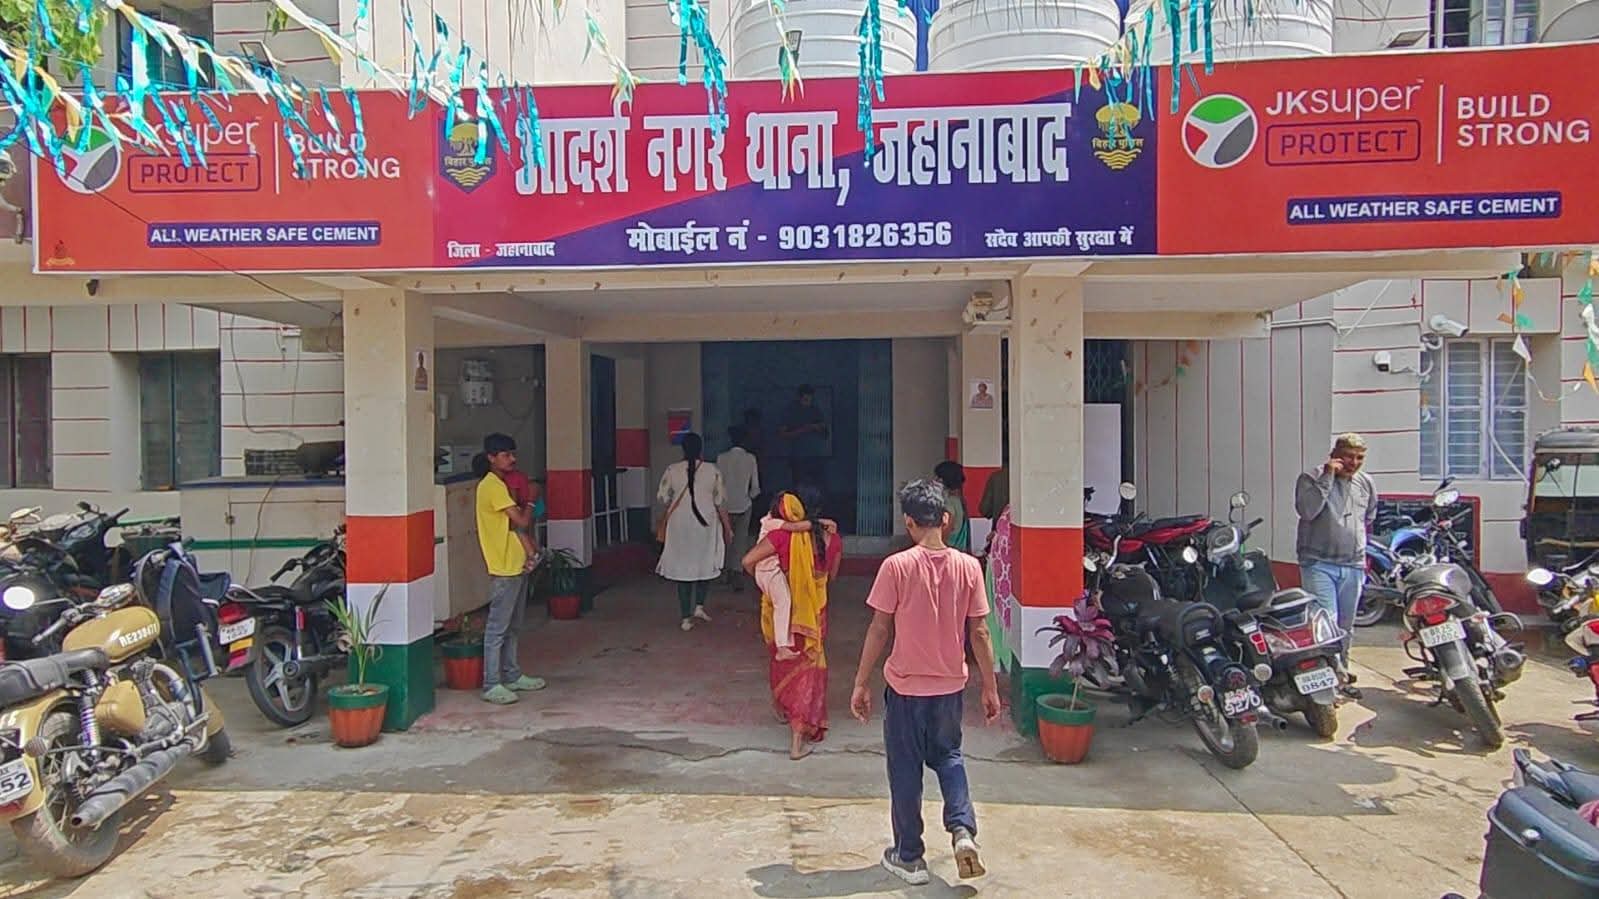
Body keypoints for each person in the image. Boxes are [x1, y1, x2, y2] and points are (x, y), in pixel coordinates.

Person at [851, 479, 1000, 885]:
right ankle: (963, 831)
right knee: (950, 757)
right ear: (946, 519)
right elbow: (980, 632)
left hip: (905, 689)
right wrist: (990, 687)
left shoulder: (896, 567)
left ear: (909, 522)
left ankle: (910, 857)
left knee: (905, 770)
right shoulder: (969, 567)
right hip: (950, 688)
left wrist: (861, 682)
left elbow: (879, 629)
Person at [743, 489, 843, 760]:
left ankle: (785, 714)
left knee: (783, 664)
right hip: (814, 614)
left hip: (783, 617)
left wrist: (767, 583)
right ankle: (799, 737)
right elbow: (832, 576)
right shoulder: (833, 540)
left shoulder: (779, 536)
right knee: (810, 672)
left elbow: (748, 561)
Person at [1295, 432, 1377, 700]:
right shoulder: (1311, 477)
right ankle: (1327, 683)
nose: (1354, 463)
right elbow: (1308, 511)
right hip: (1319, 563)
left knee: (1345, 626)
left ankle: (1342, 676)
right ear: (1335, 455)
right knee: (1326, 624)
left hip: (1352, 564)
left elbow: (1369, 517)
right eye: (1348, 457)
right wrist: (1328, 476)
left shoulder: (1365, 483)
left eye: (1359, 458)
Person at [473, 434, 547, 705]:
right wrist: (532, 500)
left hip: (516, 565)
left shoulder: (502, 485)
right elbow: (522, 522)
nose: (512, 459)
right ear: (491, 458)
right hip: (504, 567)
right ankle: (492, 683)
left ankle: (512, 674)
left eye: (513, 454)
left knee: (513, 627)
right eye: (506, 455)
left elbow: (516, 528)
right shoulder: (492, 486)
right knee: (497, 629)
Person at [656, 432, 733, 631]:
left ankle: (685, 617)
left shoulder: (672, 470)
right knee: (705, 562)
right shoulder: (712, 470)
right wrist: (728, 528)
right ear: (701, 449)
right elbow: (720, 502)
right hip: (705, 524)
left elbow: (663, 497)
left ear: (683, 449)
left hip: (679, 525)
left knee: (683, 569)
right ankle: (699, 606)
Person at [749, 496, 837, 663]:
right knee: (783, 602)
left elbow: (748, 562)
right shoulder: (773, 525)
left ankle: (783, 646)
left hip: (768, 571)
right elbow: (796, 527)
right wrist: (820, 523)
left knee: (783, 602)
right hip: (769, 571)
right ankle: (782, 648)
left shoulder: (779, 532)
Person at [717, 425, 761, 590]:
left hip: (725, 505)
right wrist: (748, 498)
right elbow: (755, 487)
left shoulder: (721, 458)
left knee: (725, 538)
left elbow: (718, 485)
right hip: (744, 504)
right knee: (740, 540)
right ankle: (737, 573)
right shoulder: (750, 459)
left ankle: (724, 571)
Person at [779, 385, 828, 494]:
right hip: (798, 456)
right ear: (799, 398)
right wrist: (804, 429)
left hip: (815, 455)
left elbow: (825, 434)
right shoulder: (790, 411)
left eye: (810, 400)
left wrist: (820, 428)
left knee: (818, 486)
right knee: (799, 487)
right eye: (805, 400)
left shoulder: (816, 411)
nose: (808, 403)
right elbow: (782, 434)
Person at [934, 460, 971, 553]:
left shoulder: (949, 502)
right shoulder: (959, 500)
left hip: (948, 551)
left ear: (944, 480)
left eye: (938, 477)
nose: (935, 480)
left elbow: (946, 529)